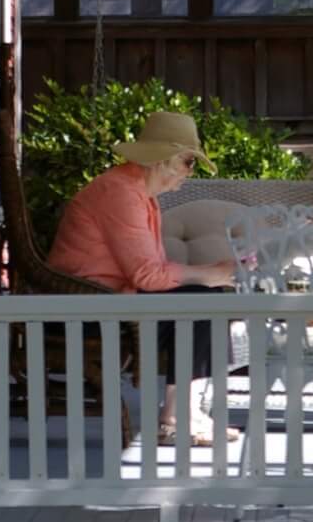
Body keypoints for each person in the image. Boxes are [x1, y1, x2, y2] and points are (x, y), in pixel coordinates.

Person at [45, 110, 239, 445]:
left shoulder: (139, 195)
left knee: (206, 297)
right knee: (204, 298)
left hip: (107, 302)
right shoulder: (119, 192)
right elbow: (148, 275)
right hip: (81, 309)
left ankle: (183, 413)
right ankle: (177, 417)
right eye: (189, 163)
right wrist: (211, 274)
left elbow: (154, 272)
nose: (189, 174)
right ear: (164, 159)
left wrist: (213, 275)